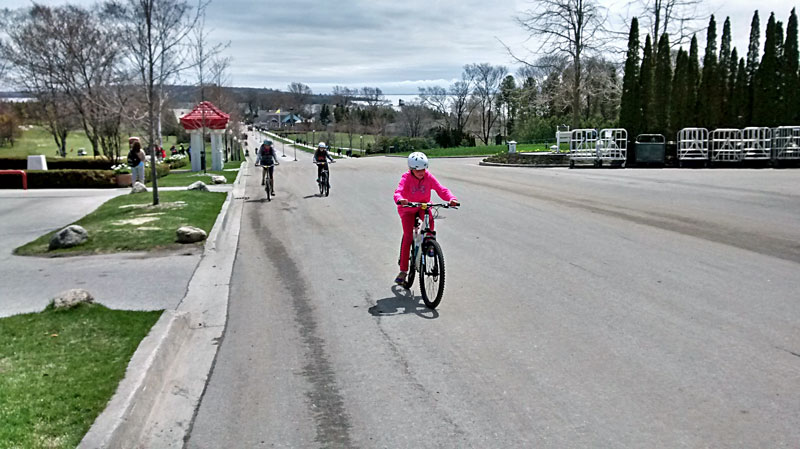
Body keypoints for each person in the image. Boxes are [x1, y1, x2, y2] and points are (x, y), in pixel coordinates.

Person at [392, 152, 459, 285]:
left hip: (422, 206)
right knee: (408, 237)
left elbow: (441, 189)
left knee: (430, 220)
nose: (422, 172)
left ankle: (429, 244)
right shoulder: (406, 178)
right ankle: (403, 271)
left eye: (424, 169)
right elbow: (398, 191)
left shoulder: (428, 177)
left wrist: (452, 199)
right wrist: (400, 199)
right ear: (412, 169)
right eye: (418, 170)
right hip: (407, 209)